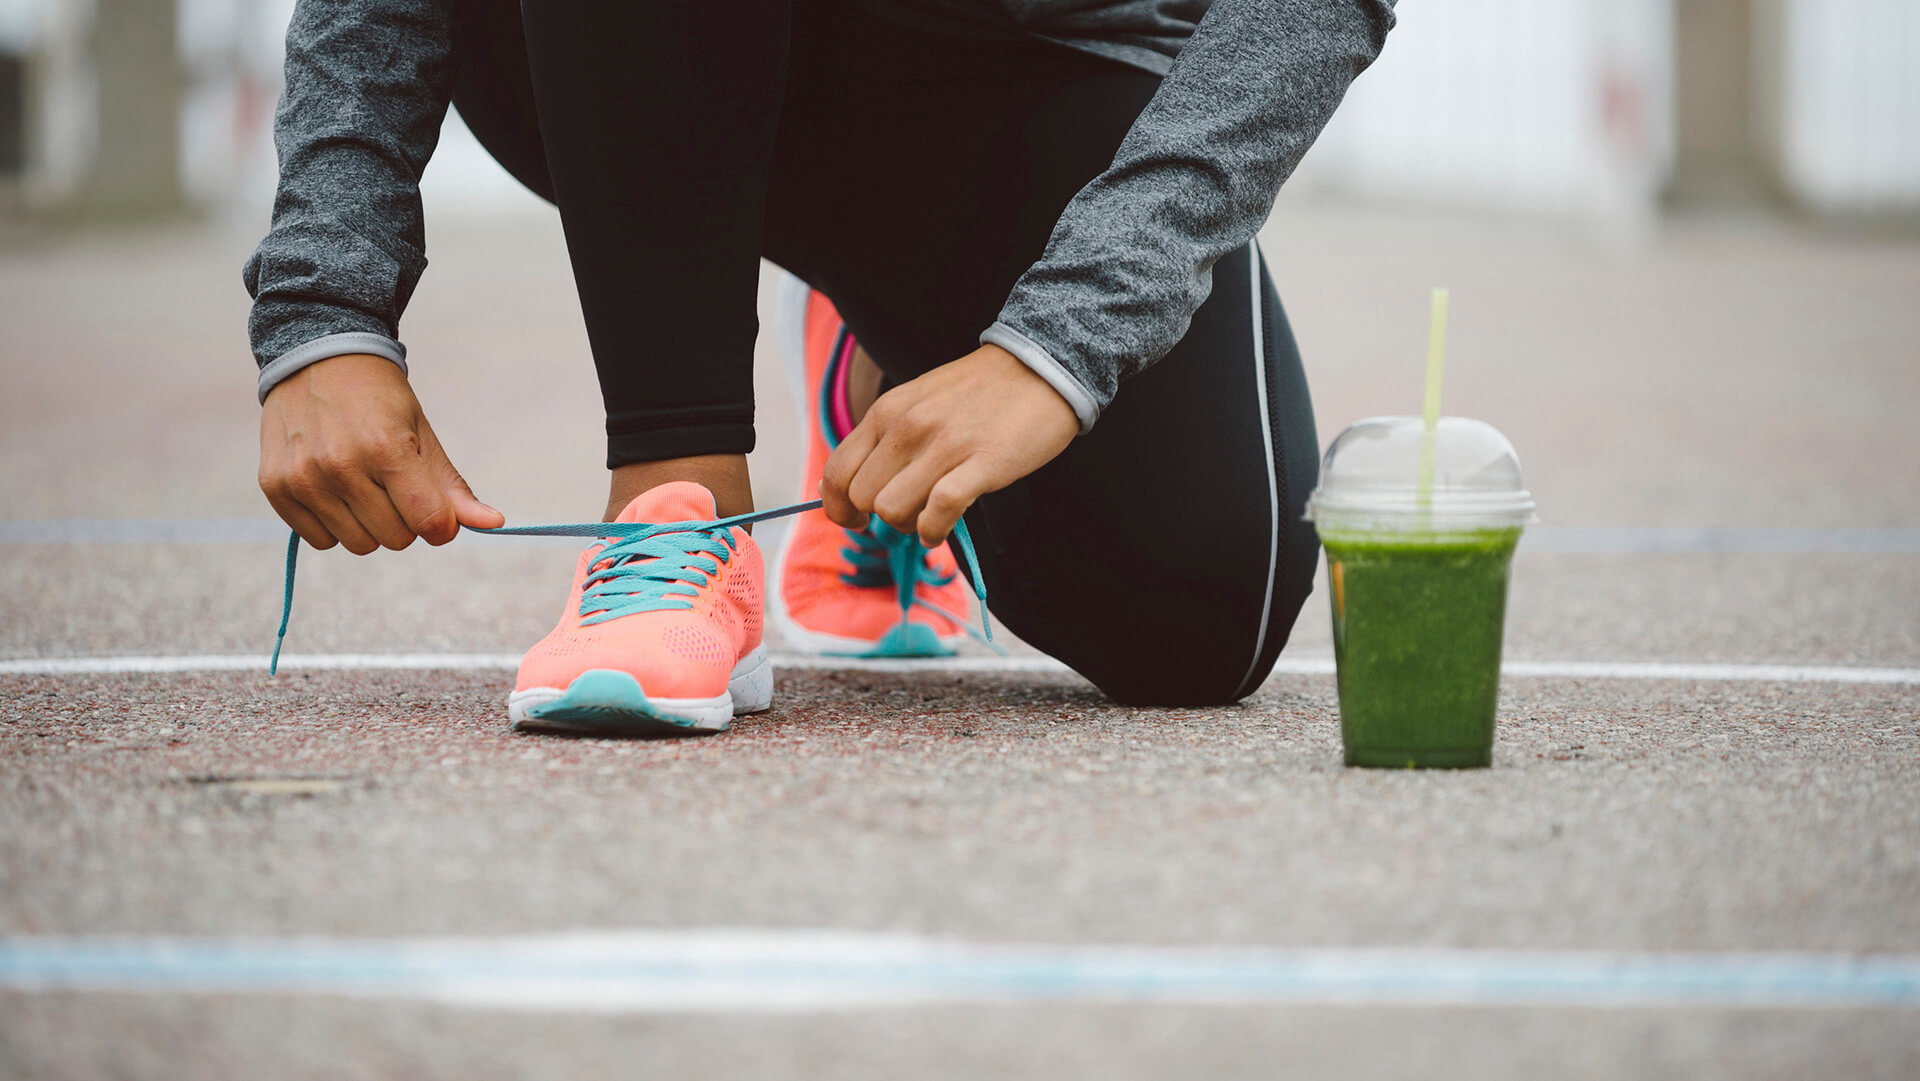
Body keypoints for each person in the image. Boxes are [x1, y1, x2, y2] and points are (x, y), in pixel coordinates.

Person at [248, 0, 1396, 734]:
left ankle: (878, 351)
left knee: (1196, 621)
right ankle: (676, 507)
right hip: (647, 53)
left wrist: (1056, 349)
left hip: (1051, 60)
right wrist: (326, 308)